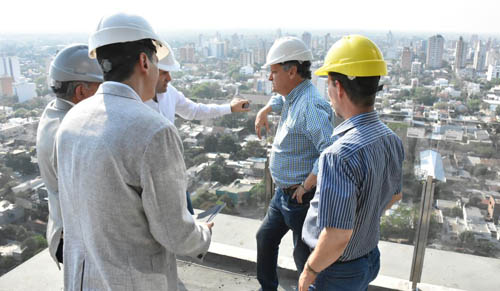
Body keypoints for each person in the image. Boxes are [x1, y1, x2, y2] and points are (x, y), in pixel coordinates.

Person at [55, 13, 212, 291]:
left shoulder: (72, 119)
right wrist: (202, 235)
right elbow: (174, 232)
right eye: (156, 62)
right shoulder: (153, 131)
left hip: (81, 280)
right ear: (143, 61)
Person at [299, 35, 405, 291]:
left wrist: (309, 270)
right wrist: (362, 222)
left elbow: (337, 234)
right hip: (368, 258)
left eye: (328, 84)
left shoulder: (338, 155)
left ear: (339, 87)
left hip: (336, 269)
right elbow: (394, 196)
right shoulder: (391, 139)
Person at [254, 36, 336, 291]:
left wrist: (307, 184)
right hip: (282, 195)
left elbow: (329, 152)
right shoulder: (293, 95)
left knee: (305, 260)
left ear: (292, 71)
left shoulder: (310, 106)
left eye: (274, 71)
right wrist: (265, 109)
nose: (270, 78)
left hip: (300, 199)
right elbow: (280, 100)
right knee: (265, 238)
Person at [145, 45, 250, 214]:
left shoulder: (169, 93)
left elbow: (194, 110)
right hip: (148, 182)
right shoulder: (132, 102)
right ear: (147, 70)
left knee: (187, 221)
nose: (169, 78)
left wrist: (229, 108)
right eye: (164, 73)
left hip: (174, 174)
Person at [36, 44, 103, 267]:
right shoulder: (73, 132)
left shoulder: (53, 111)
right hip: (78, 242)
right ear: (81, 91)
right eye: (100, 87)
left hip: (64, 231)